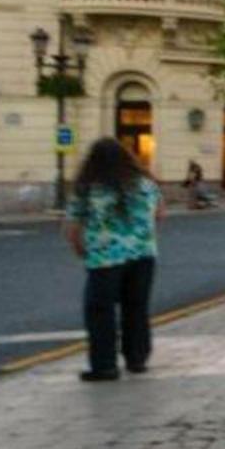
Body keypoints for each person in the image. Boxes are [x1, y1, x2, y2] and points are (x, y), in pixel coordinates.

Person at [63, 137, 163, 382]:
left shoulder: (88, 187)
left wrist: (81, 250)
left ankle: (105, 366)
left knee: (100, 311)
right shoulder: (146, 184)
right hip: (143, 255)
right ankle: (136, 359)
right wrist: (141, 237)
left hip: (104, 257)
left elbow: (73, 226)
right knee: (136, 308)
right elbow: (159, 214)